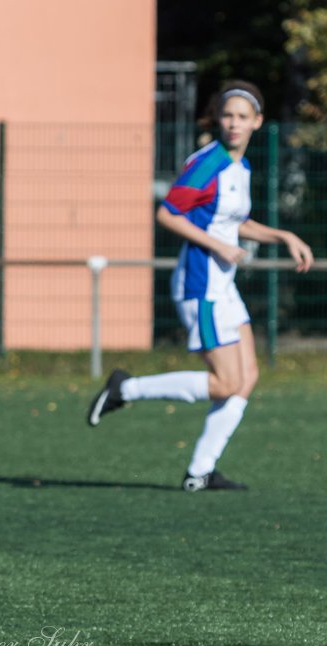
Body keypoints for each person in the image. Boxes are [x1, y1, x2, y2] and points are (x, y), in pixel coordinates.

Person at [88, 81, 315, 491]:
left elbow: (233, 222)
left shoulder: (239, 167)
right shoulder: (209, 162)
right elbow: (169, 213)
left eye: (243, 117)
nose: (234, 123)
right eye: (228, 115)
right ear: (220, 118)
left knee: (246, 378)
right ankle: (127, 388)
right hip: (201, 285)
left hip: (223, 286)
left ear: (257, 123)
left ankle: (200, 472)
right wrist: (219, 247)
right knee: (226, 382)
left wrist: (284, 236)